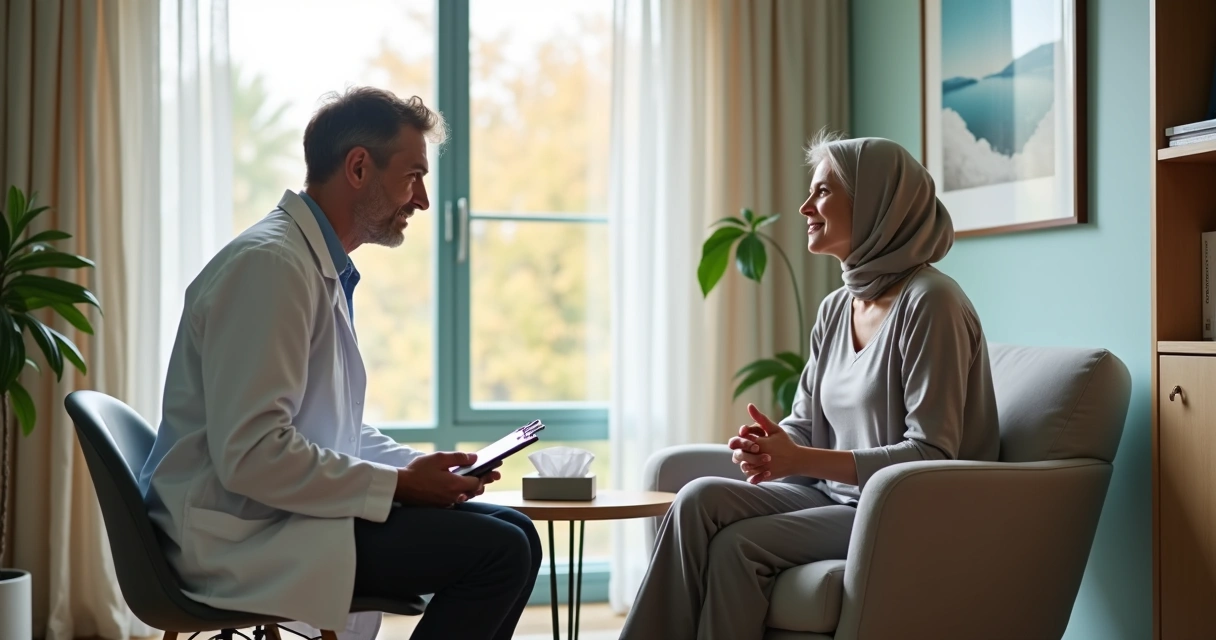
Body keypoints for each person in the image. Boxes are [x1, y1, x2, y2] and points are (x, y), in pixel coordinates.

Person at [138, 87, 542, 640]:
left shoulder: (308, 263)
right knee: (500, 551)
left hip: (275, 516)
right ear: (358, 168)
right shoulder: (271, 267)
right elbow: (252, 455)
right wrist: (399, 484)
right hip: (237, 537)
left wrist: (419, 470)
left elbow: (326, 426)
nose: (423, 200)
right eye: (413, 177)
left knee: (519, 533)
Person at [618, 134, 1001, 640]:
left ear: (874, 204)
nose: (804, 207)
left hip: (902, 512)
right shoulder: (837, 307)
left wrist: (800, 459)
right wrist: (772, 447)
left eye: (822, 192)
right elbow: (804, 425)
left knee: (736, 546)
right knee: (696, 497)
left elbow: (931, 453)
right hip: (831, 498)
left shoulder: (932, 302)